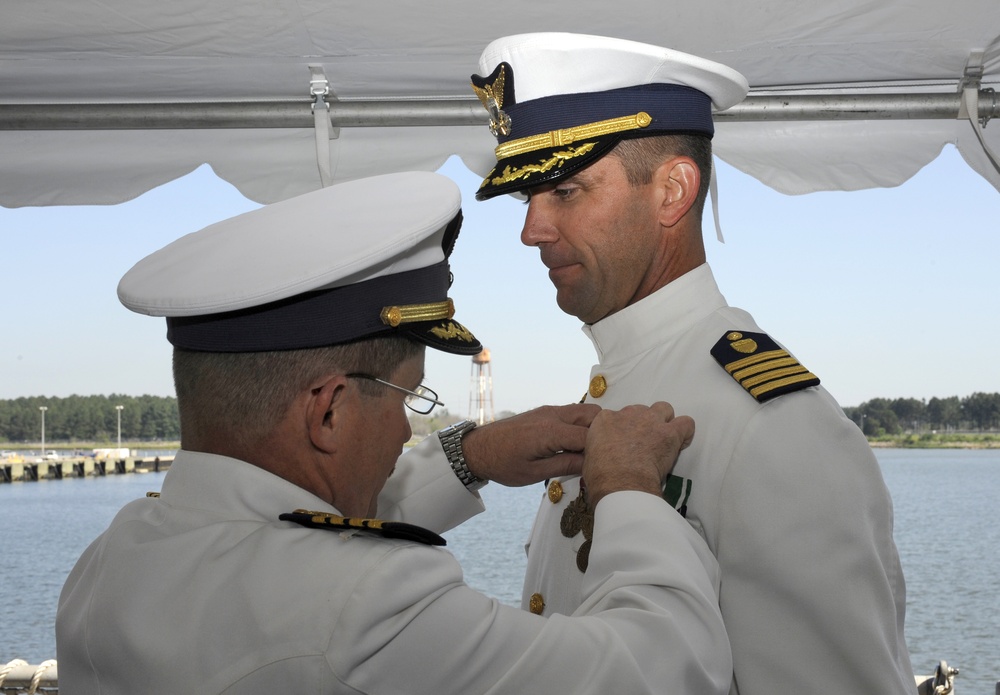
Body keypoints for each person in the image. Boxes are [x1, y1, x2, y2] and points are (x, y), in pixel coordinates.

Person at [56, 171, 732, 694]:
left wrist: (473, 455)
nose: (406, 425)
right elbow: (665, 672)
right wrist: (629, 492)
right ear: (328, 410)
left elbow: (293, 526)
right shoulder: (360, 604)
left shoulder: (111, 561)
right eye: (406, 397)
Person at [468, 33, 916, 694]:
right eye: (528, 197)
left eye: (563, 190)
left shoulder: (773, 429)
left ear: (673, 190)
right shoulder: (626, 378)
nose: (530, 228)